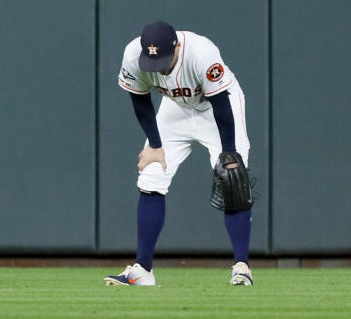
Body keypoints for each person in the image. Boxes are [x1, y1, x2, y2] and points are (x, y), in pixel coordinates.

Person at [104, 20, 254, 287]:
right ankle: (142, 270)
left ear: (177, 46)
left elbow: (221, 104)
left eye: (163, 57)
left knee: (233, 180)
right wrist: (155, 144)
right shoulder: (132, 56)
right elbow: (140, 102)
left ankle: (242, 266)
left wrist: (229, 153)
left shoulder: (201, 52)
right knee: (151, 176)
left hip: (216, 108)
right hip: (175, 108)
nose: (158, 65)